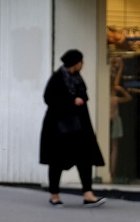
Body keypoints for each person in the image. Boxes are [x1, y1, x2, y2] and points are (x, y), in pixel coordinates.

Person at [39, 49, 106, 207]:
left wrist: (80, 99)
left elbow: (83, 94)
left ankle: (88, 194)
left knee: (85, 158)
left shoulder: (77, 78)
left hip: (79, 127)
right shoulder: (57, 78)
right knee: (57, 161)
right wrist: (71, 101)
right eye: (81, 62)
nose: (82, 65)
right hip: (59, 129)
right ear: (75, 63)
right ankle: (54, 195)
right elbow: (49, 98)